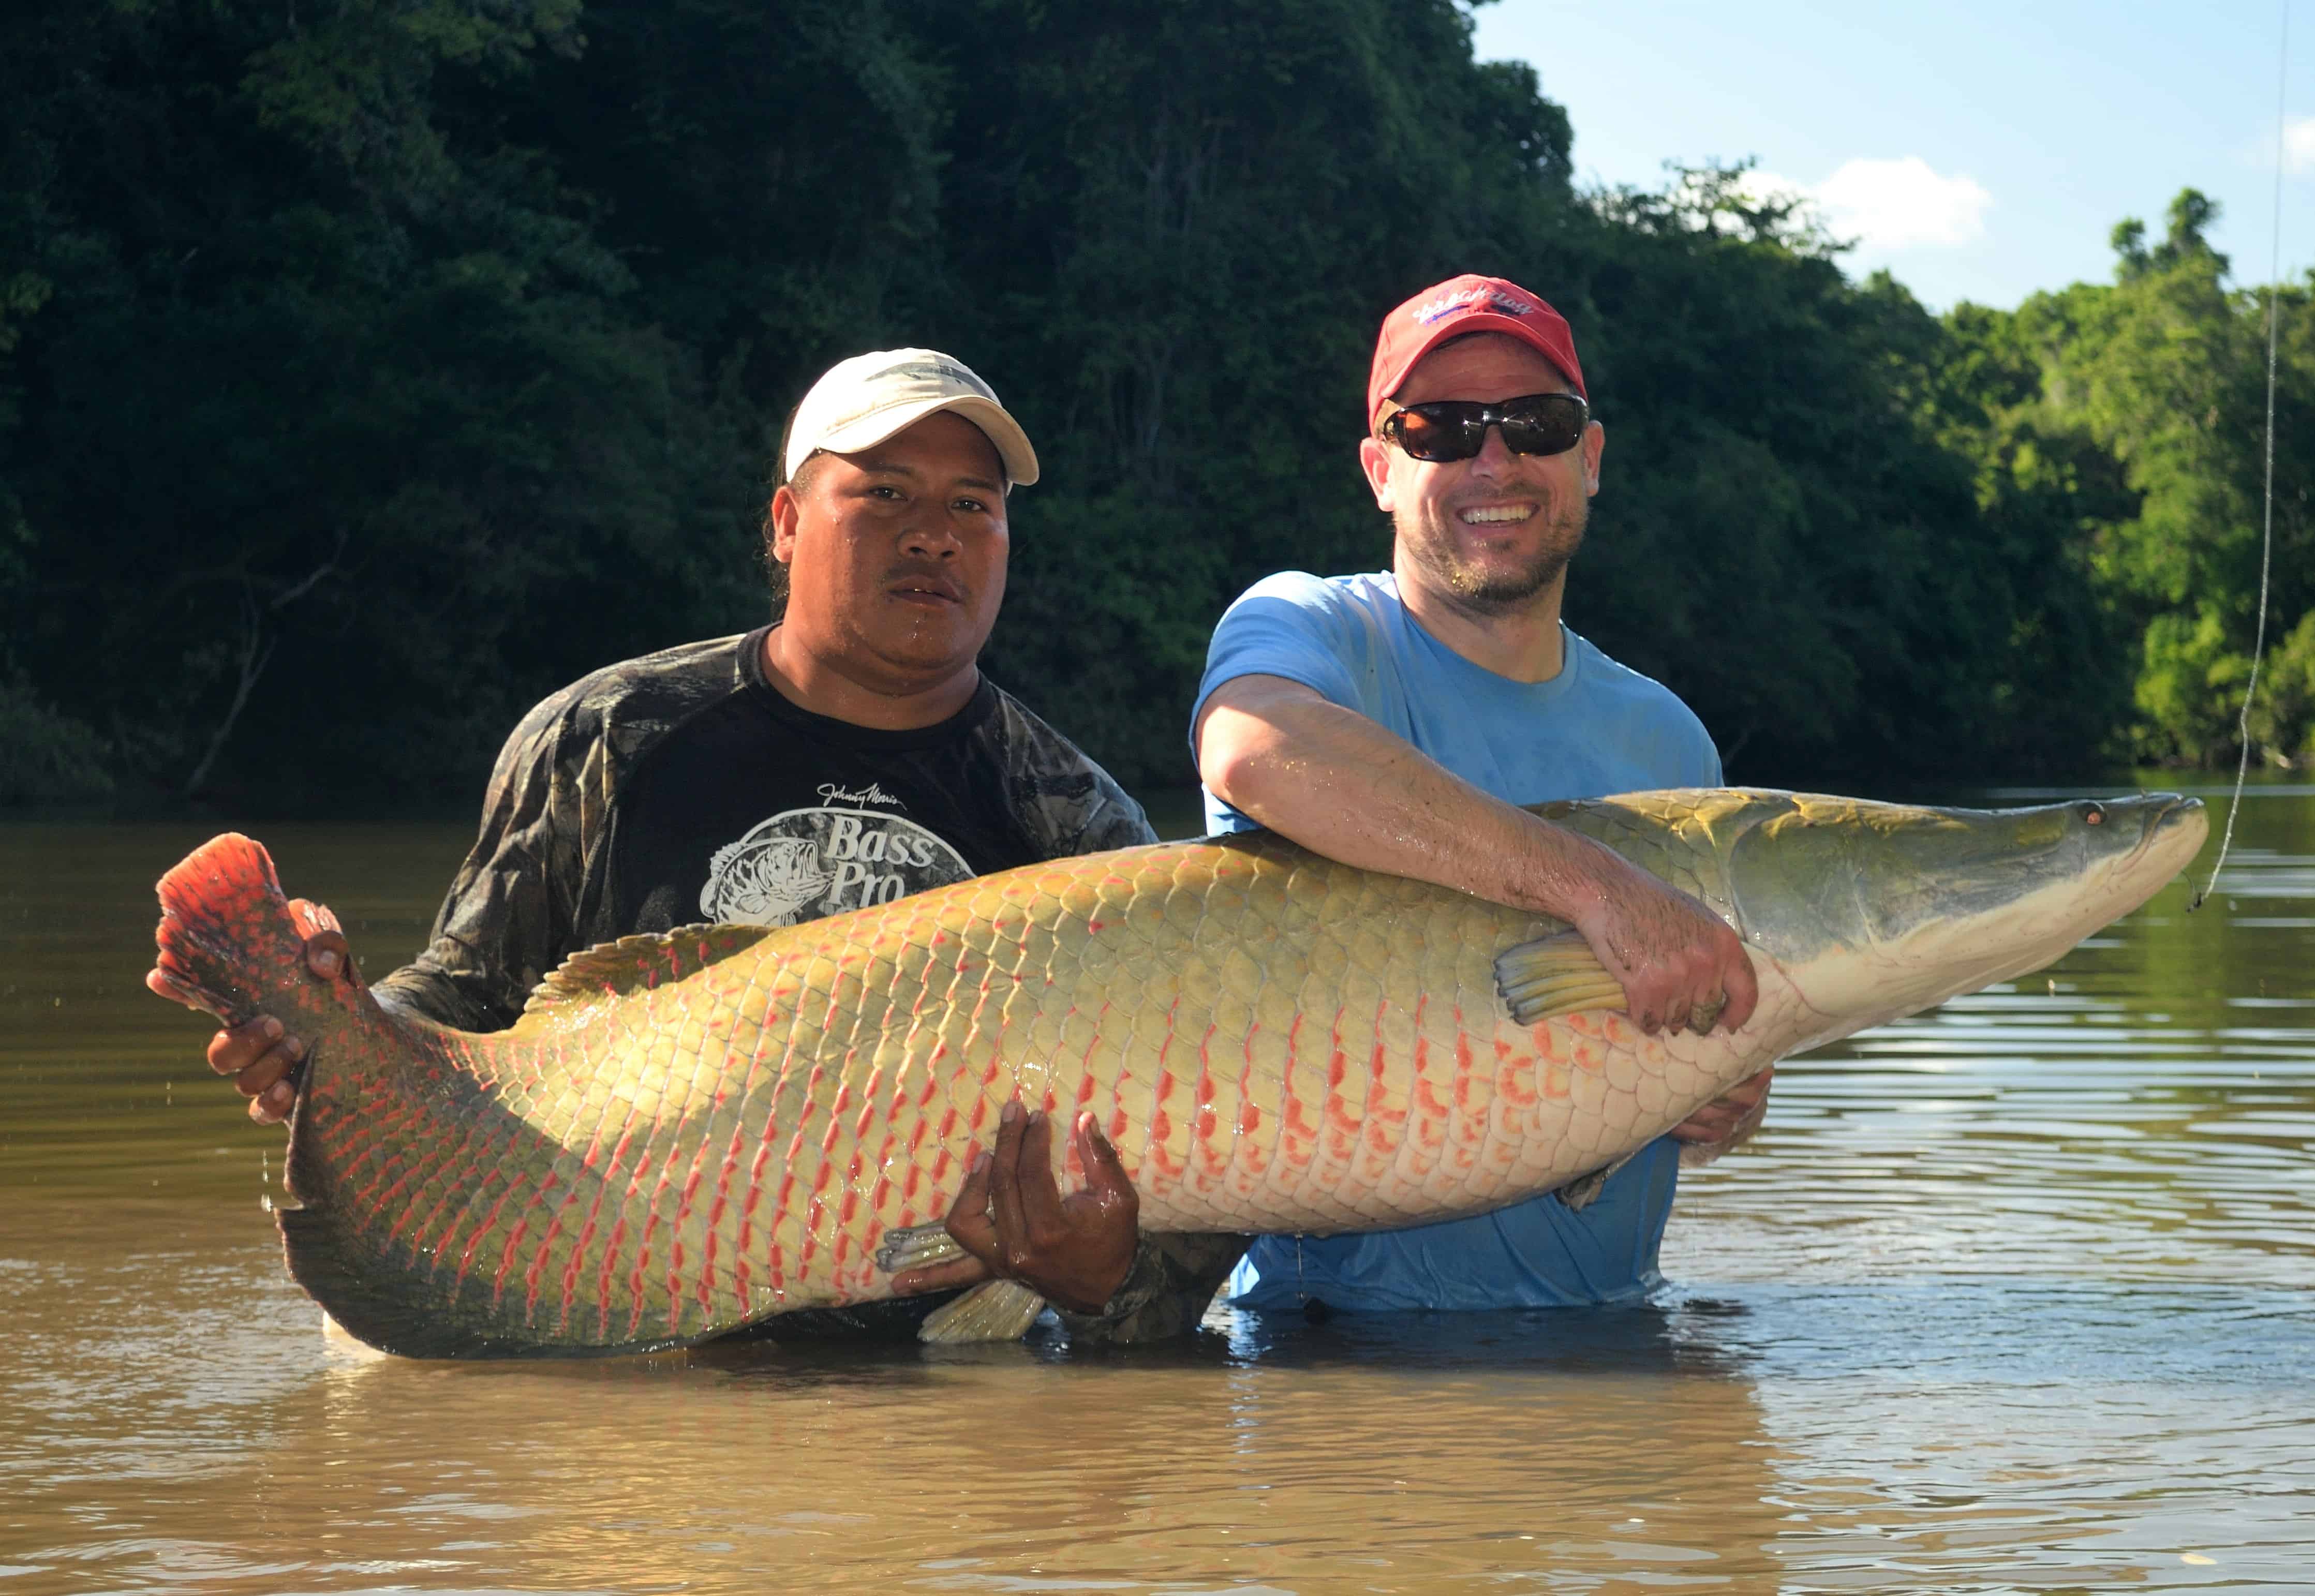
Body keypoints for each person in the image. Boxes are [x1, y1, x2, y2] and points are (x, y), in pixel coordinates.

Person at [177, 349, 1238, 1342]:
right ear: (784, 521)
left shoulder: (1078, 828)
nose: (934, 534)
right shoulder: (604, 737)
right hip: (623, 1323)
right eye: (884, 492)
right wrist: (334, 1045)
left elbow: (1165, 1245)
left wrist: (1096, 1277)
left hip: (919, 1385)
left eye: (974, 505)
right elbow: (461, 996)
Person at [1190, 274, 1773, 1314]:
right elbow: (1253, 751)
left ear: (1588, 460)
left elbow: (1682, 1010)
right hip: (1325, 1369)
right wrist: (1596, 889)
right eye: (1441, 428)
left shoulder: (1666, 735)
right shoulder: (1311, 635)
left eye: (1534, 423)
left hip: (1618, 1355)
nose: (1492, 460)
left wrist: (1722, 1079)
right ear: (1379, 469)